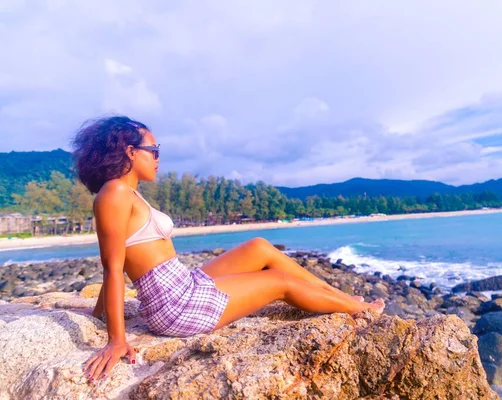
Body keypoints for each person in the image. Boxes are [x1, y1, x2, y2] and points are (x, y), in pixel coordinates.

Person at [73, 116, 385, 383]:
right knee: (279, 281)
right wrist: (116, 340)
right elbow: (113, 266)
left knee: (260, 248)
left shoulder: (128, 193)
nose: (158, 157)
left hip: (182, 285)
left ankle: (342, 298)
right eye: (153, 150)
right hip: (175, 305)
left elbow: (117, 260)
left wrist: (98, 315)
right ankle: (359, 310)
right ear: (130, 152)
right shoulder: (114, 193)